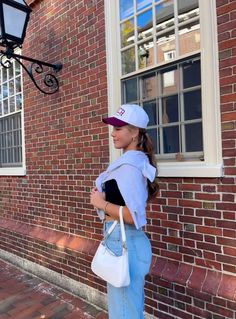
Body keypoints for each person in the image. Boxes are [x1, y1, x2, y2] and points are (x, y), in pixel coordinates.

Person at [90, 104, 159, 319]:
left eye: (119, 128)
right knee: (127, 308)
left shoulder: (130, 167)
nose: (113, 133)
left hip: (124, 242)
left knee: (123, 313)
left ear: (135, 131)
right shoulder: (133, 163)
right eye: (113, 127)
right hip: (124, 241)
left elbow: (132, 216)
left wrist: (100, 203)